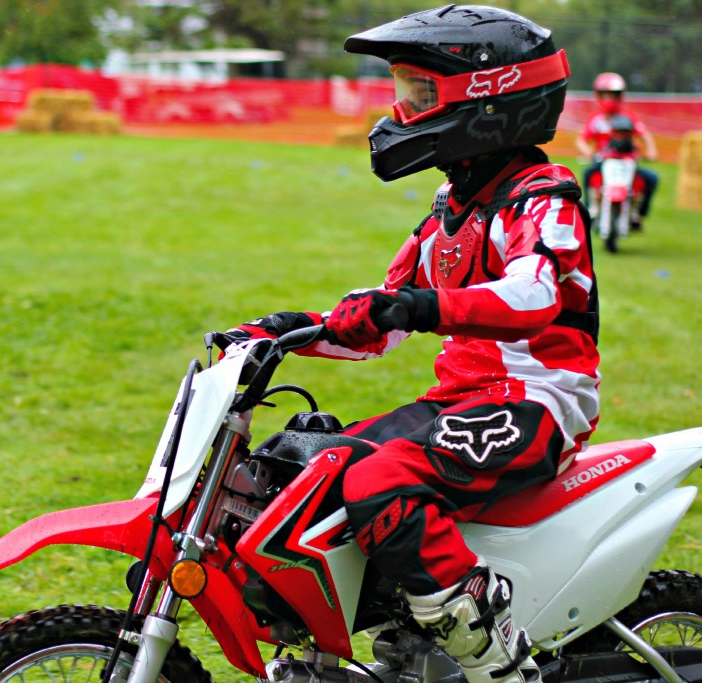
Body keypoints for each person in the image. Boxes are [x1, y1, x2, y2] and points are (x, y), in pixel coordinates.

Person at [220, 6, 599, 683]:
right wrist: (285, 331)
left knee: (378, 476)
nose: (403, 109)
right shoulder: (448, 210)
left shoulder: (543, 197)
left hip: (538, 402)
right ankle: (380, 635)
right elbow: (380, 324)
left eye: (420, 93)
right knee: (306, 470)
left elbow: (533, 296)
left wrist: (425, 305)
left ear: (491, 101)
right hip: (458, 398)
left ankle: (493, 652)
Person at [576, 72, 659, 229]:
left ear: (620, 97)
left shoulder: (629, 118)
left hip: (627, 162)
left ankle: (638, 213)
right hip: (604, 161)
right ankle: (591, 211)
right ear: (599, 96)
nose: (610, 100)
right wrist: (588, 152)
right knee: (588, 175)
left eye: (614, 96)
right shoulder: (596, 120)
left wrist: (651, 151)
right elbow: (581, 140)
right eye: (606, 95)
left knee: (651, 179)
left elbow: (645, 135)